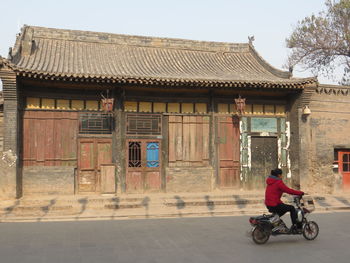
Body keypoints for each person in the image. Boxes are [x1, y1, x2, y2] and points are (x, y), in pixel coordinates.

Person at [265, 168, 304, 232]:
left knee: (283, 207)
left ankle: (275, 220)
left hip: (269, 204)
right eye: (281, 175)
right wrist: (300, 193)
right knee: (291, 208)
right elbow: (288, 190)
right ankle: (294, 226)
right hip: (274, 204)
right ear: (278, 175)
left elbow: (273, 194)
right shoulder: (278, 182)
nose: (282, 176)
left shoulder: (270, 181)